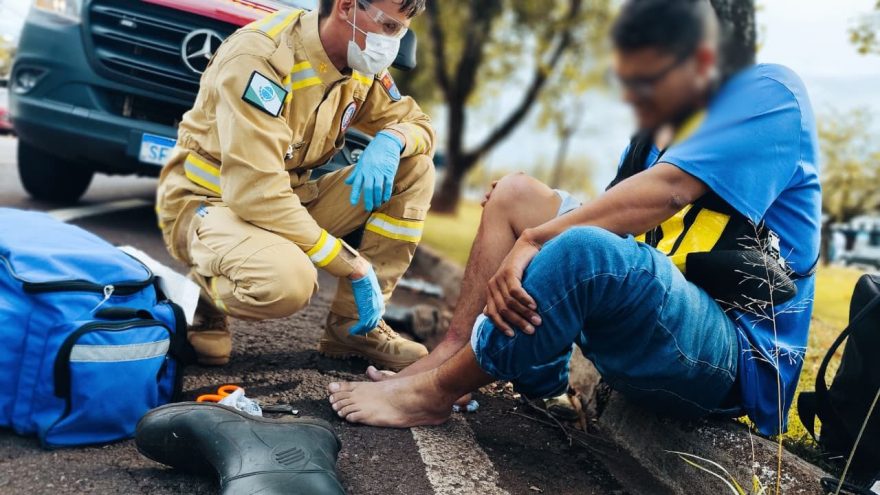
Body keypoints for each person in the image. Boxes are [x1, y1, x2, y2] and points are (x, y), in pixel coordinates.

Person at [326, 0, 822, 436]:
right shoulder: (660, 128)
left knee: (581, 248)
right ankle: (460, 356)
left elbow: (667, 193)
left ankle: (433, 394)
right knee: (516, 195)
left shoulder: (769, 91)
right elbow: (613, 217)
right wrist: (536, 222)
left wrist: (538, 237)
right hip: (658, 319)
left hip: (730, 355)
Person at [156, 0, 434, 369]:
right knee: (288, 283)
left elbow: (421, 124)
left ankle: (354, 329)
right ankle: (201, 297)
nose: (393, 41)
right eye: (388, 26)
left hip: (288, 200)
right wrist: (349, 263)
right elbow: (256, 192)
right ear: (346, 6)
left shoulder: (360, 65)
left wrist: (393, 139)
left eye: (401, 30)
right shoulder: (263, 57)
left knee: (414, 167)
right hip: (212, 204)